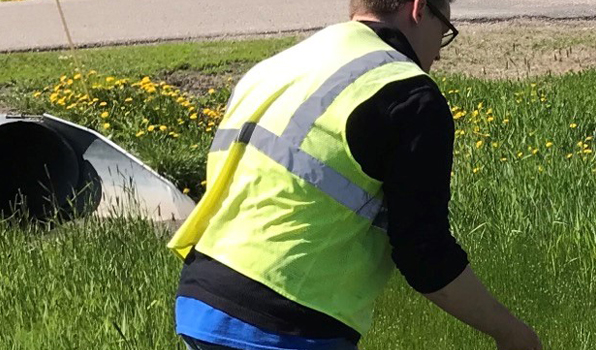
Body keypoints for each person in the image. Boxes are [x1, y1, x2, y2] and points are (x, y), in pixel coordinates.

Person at [164, 0, 541, 349]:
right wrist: (512, 333)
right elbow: (425, 255)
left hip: (201, 300)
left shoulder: (286, 64)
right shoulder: (408, 95)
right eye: (444, 31)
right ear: (418, 9)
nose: (439, 52)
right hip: (286, 323)